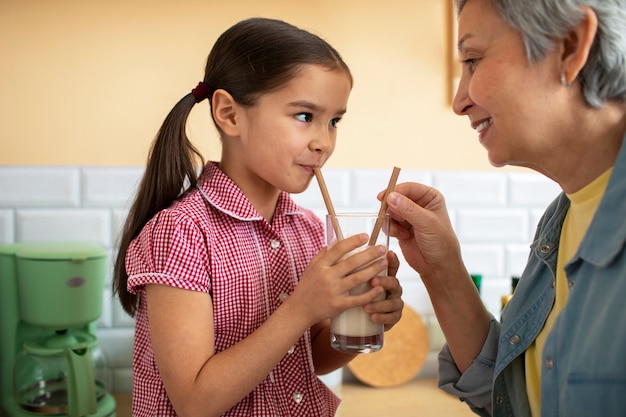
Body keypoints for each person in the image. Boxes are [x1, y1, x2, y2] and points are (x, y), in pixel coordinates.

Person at [112, 17, 404, 417]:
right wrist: (303, 307)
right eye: (305, 116)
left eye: (334, 121)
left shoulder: (304, 228)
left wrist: (360, 320)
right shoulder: (181, 232)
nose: (323, 142)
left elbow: (302, 362)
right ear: (229, 114)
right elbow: (196, 401)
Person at [381, 0, 626, 416]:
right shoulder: (561, 218)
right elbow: (513, 397)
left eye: (473, 59)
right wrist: (442, 272)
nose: (459, 101)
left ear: (570, 46)